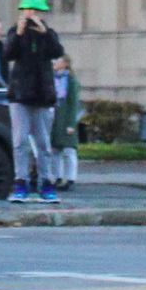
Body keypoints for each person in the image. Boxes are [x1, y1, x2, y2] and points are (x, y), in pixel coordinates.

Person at [0, 0, 66, 203]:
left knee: (43, 143)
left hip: (43, 95)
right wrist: (19, 33)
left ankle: (46, 184)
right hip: (20, 94)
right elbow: (8, 54)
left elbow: (57, 52)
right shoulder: (15, 32)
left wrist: (44, 32)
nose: (32, 14)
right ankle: (21, 183)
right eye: (29, 10)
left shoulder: (49, 34)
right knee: (19, 142)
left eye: (36, 10)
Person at [49, 52, 81, 192]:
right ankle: (57, 177)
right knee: (55, 150)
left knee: (69, 150)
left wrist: (71, 124)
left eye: (58, 60)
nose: (55, 62)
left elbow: (73, 104)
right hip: (54, 118)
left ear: (65, 63)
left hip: (66, 119)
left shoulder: (71, 81)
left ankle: (70, 178)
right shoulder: (51, 79)